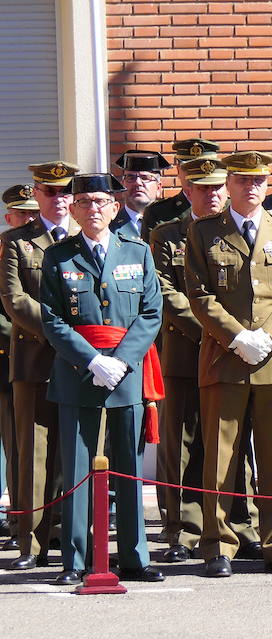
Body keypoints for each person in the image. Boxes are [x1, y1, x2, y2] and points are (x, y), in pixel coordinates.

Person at [185, 151, 272, 578]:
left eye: (258, 180)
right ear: (228, 184)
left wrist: (268, 337)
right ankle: (218, 545)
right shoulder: (203, 232)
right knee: (221, 458)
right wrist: (237, 337)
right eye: (241, 180)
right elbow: (199, 295)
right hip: (224, 358)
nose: (251, 187)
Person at [40, 172, 165, 584]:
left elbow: (151, 313)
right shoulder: (58, 256)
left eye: (100, 201)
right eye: (85, 202)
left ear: (115, 207)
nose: (93, 209)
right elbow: (52, 319)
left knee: (128, 467)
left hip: (126, 373)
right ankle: (74, 561)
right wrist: (91, 360)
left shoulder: (138, 252)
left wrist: (122, 361)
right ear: (73, 210)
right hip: (79, 371)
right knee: (76, 468)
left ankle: (134, 556)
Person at [150, 157, 261, 563]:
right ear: (187, 190)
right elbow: (164, 291)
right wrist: (216, 332)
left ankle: (241, 525)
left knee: (235, 444)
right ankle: (184, 529)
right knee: (184, 443)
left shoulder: (241, 228)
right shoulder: (167, 234)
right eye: (203, 188)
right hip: (187, 352)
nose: (212, 195)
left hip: (233, 354)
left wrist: (235, 337)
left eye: (218, 187)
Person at [0, 161, 79, 571]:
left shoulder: (89, 237)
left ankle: (77, 538)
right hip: (35, 360)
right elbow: (14, 301)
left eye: (66, 191)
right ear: (36, 193)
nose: (60, 199)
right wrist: (64, 334)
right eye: (50, 192)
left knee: (80, 456)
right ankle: (31, 543)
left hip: (84, 363)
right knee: (35, 455)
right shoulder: (16, 241)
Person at [0, 184, 37, 545]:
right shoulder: (6, 248)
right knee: (19, 448)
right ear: (8, 217)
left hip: (48, 356)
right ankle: (18, 522)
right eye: (22, 213)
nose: (29, 218)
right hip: (11, 359)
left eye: (32, 211)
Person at [140, 137, 220, 241]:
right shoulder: (158, 212)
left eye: (200, 170)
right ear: (178, 169)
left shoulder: (231, 208)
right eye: (188, 168)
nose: (194, 175)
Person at [110, 150, 170, 241]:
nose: (137, 183)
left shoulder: (171, 226)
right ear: (123, 186)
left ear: (158, 188)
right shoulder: (109, 228)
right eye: (131, 178)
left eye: (145, 178)